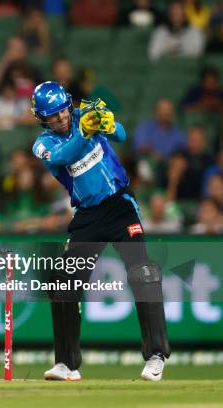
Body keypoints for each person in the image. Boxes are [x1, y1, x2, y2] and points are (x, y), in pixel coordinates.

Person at [31, 81, 170, 381]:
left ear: (69, 105)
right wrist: (86, 130)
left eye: (63, 111)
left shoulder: (83, 115)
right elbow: (63, 157)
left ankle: (156, 356)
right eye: (52, 116)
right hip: (87, 217)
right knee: (64, 283)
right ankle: (67, 364)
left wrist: (107, 123)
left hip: (120, 206)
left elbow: (121, 134)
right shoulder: (43, 144)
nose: (61, 118)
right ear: (42, 119)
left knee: (142, 272)